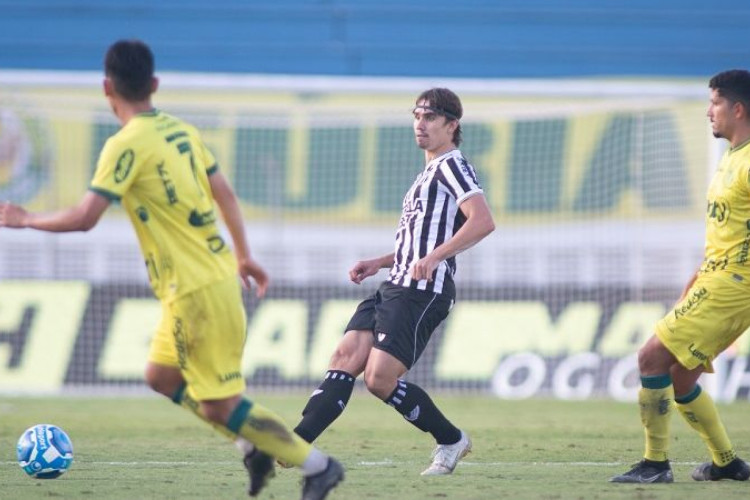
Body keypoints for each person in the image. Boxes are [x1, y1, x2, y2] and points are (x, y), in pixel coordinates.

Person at [0, 39, 343, 500]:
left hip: (195, 291)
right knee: (161, 377)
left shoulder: (124, 145)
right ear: (154, 84)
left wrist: (26, 219)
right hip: (211, 274)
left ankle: (318, 466)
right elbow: (225, 195)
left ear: (107, 88)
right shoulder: (182, 131)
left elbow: (85, 217)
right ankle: (252, 444)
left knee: (222, 403)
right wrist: (244, 253)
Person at [268, 87, 495, 476]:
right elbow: (419, 240)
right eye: (417, 116)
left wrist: (436, 257)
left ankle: (451, 439)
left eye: (430, 118)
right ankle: (296, 443)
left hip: (423, 290)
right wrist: (380, 261)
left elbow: (483, 221)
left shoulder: (452, 165)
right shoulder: (427, 172)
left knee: (379, 378)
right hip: (394, 284)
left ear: (451, 125)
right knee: (344, 358)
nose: (420, 124)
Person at [610, 69, 750, 484]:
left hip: (734, 285)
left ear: (738, 108)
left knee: (650, 357)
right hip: (718, 278)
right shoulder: (733, 155)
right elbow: (730, 228)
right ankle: (726, 463)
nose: (709, 112)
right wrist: (698, 273)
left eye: (715, 104)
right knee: (680, 374)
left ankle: (655, 464)